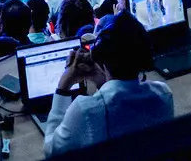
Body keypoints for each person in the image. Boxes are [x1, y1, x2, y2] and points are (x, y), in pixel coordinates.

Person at [41, 13, 174, 154]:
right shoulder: (164, 94)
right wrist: (102, 82)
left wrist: (63, 87)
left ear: (100, 57)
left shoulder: (85, 110)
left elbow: (51, 150)